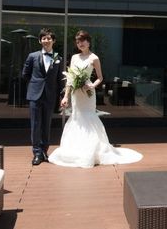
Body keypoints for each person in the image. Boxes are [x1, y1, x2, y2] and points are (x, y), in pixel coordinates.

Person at [48, 30, 143, 168]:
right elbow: (70, 78)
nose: (80, 43)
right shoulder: (74, 57)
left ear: (88, 42)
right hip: (76, 93)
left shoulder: (94, 58)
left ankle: (92, 150)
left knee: (88, 117)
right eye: (78, 41)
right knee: (76, 117)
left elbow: (100, 77)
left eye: (82, 40)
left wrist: (92, 85)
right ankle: (77, 149)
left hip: (87, 93)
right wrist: (66, 97)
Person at [22, 28, 63, 166]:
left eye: (49, 38)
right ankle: (37, 153)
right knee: (35, 125)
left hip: (50, 96)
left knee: (46, 125)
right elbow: (25, 74)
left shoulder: (58, 58)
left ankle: (44, 151)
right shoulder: (32, 56)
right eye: (44, 38)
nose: (46, 40)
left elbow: (60, 79)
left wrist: (62, 96)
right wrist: (35, 85)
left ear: (53, 40)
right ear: (40, 41)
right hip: (35, 95)